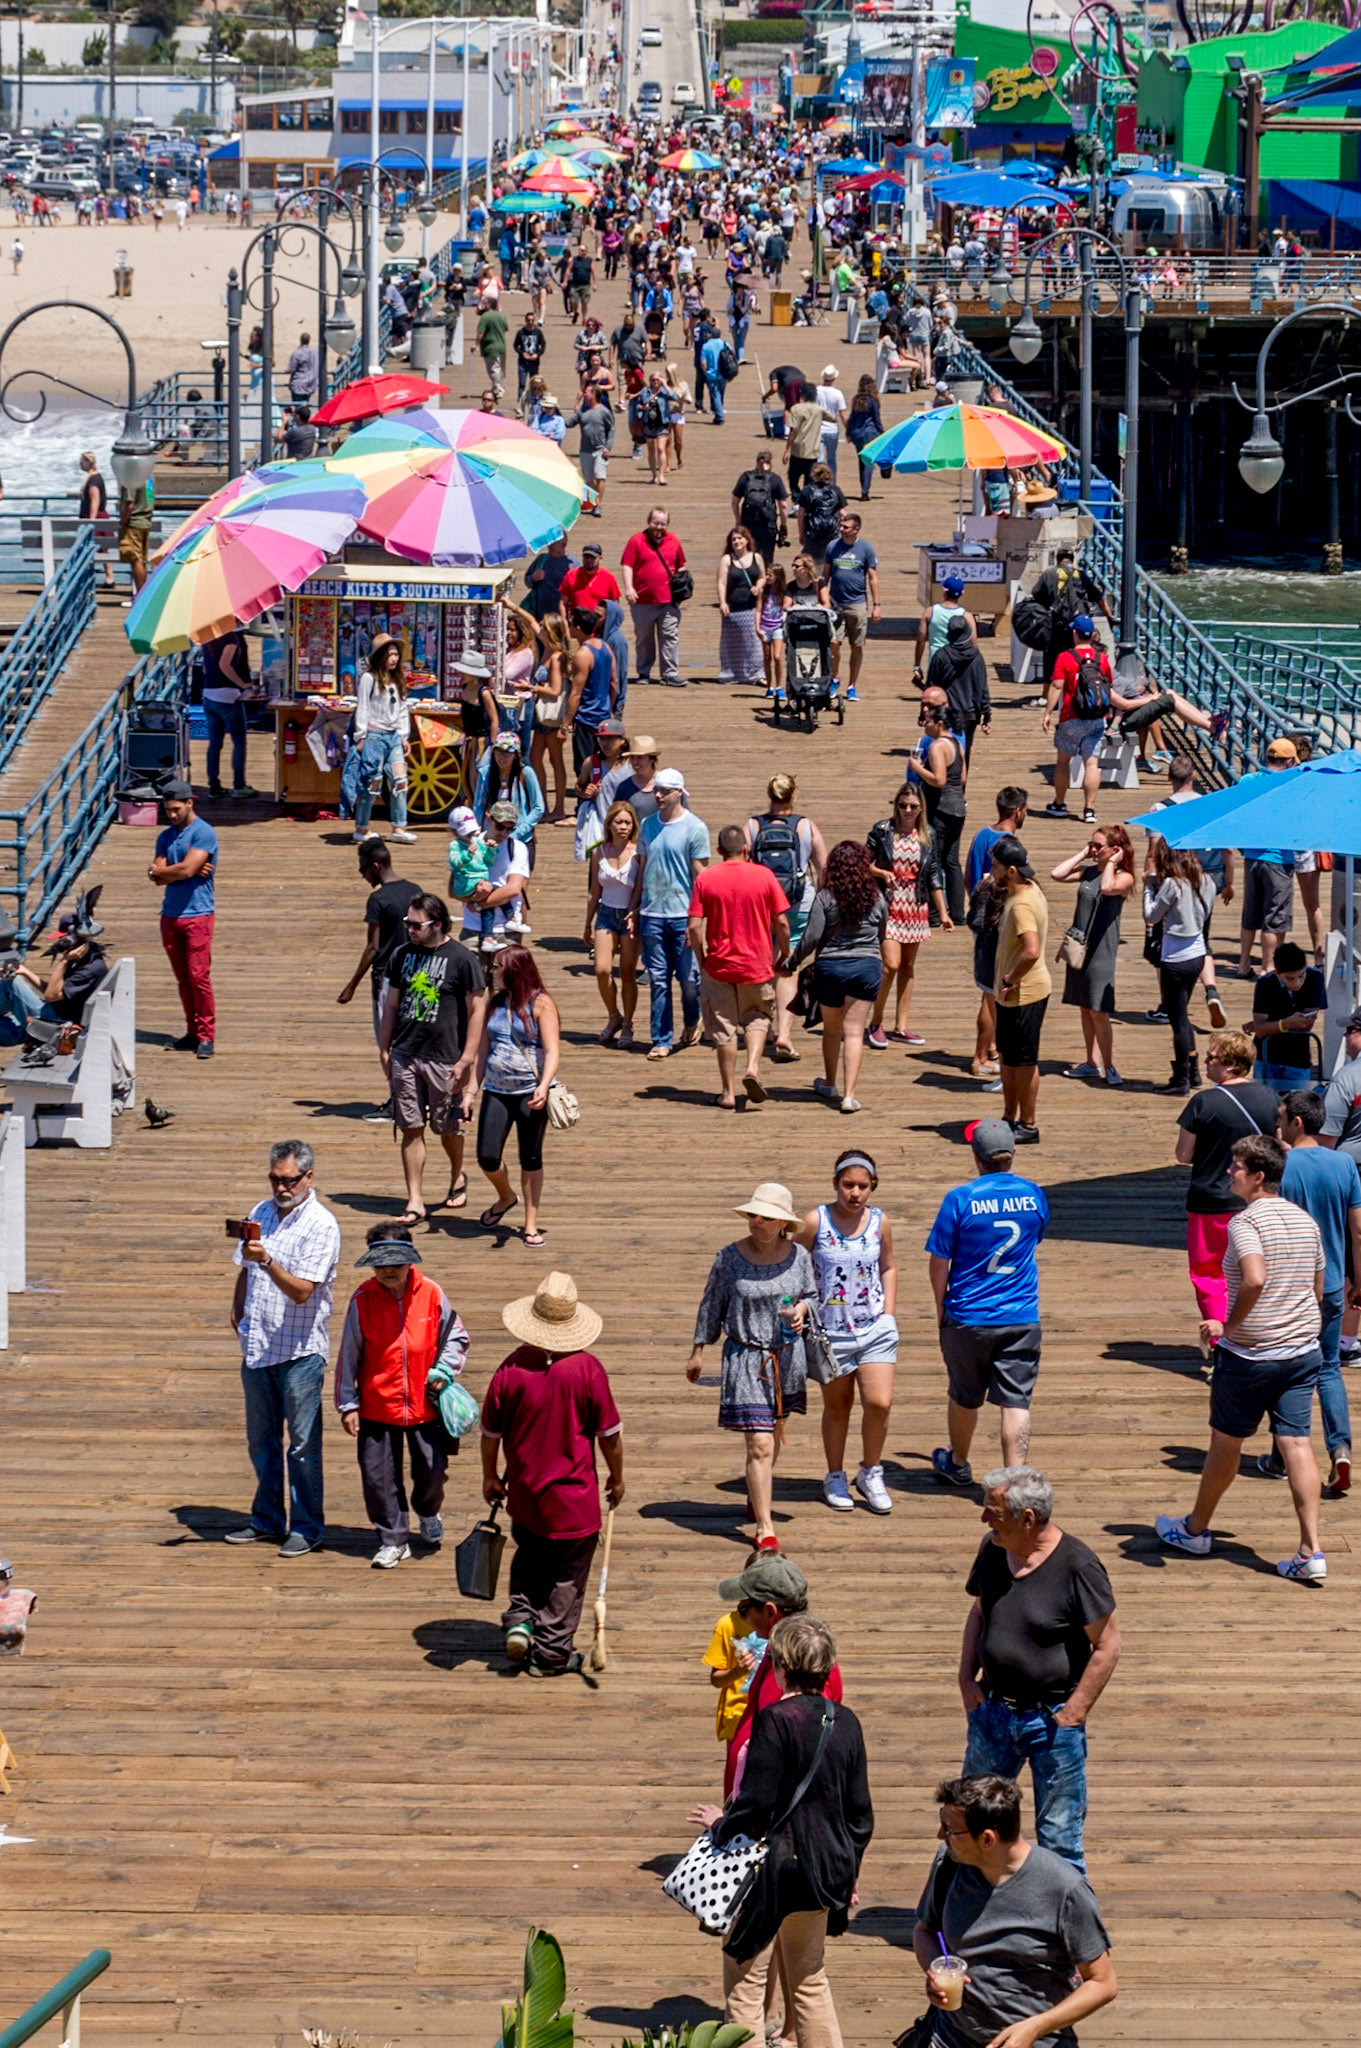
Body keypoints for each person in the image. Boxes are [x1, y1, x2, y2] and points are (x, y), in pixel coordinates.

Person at [688, 1617, 873, 2048]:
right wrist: (848, 1871)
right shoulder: (846, 1722)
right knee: (809, 1979)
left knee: (746, 1981)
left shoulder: (775, 1720)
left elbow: (755, 1806)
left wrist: (719, 1822)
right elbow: (860, 1815)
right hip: (824, 1868)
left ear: (781, 1666)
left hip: (770, 1874)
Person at [1157, 1133, 1328, 1584]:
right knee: (1296, 1445)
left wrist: (1227, 1327)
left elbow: (1253, 1278)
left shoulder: (1245, 1224)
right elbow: (1316, 1286)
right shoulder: (1304, 1221)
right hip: (1302, 1350)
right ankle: (1311, 1549)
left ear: (1257, 1177)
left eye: (1237, 1167)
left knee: (1226, 1444)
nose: (1229, 1172)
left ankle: (1195, 1529)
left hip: (1252, 1355)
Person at [957, 1466, 1119, 1870]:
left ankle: (1064, 1929)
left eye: (992, 1513)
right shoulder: (993, 1550)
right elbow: (979, 1611)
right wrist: (965, 1678)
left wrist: (1074, 1712)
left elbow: (1108, 1645)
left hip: (1051, 1722)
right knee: (971, 1825)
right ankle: (966, 1918)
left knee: (1059, 1837)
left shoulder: (1078, 1567)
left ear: (1027, 1519)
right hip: (992, 1713)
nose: (984, 1520)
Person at [481, 1272, 624, 1677]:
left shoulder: (509, 1369)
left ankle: (522, 1622)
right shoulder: (587, 1370)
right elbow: (608, 1436)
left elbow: (491, 1433)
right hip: (574, 1502)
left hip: (525, 1494)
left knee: (529, 1558)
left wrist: (490, 1476)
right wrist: (617, 1477)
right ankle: (551, 1653)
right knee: (567, 1577)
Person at [914, 1774, 1117, 2044]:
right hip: (950, 2037)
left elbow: (1103, 1983)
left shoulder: (1064, 1889)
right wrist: (936, 1972)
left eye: (950, 1830)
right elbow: (925, 1931)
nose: (941, 1835)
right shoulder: (949, 1864)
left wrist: (1034, 2028)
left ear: (987, 1840)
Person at [225, 1141, 342, 1558]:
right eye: (275, 1179)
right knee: (262, 1441)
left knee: (303, 1446)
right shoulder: (259, 1212)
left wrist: (267, 1260)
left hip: (299, 1352)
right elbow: (244, 1265)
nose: (280, 1187)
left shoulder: (322, 1226)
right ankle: (267, 1520)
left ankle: (307, 1528)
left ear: (308, 1178)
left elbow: (302, 1292)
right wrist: (238, 1307)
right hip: (257, 1347)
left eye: (289, 1180)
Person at [688, 1183, 817, 1554]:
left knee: (774, 1434)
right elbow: (711, 1304)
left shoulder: (800, 1257)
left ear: (783, 1223)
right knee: (760, 1443)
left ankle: (756, 1492)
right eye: (752, 1215)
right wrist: (698, 1351)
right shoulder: (729, 1258)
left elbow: (810, 1296)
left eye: (765, 1216)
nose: (756, 1221)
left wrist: (802, 1313)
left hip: (786, 1357)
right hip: (745, 1357)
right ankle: (765, 1526)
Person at [333, 1229, 470, 1568]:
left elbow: (456, 1336)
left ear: (410, 1262)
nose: (388, 1270)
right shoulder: (361, 1299)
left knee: (433, 1471)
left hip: (427, 1405)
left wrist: (444, 1369)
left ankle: (427, 1511)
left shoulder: (432, 1293)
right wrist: (348, 1404)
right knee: (377, 1478)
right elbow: (348, 1355)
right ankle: (393, 1538)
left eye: (395, 1263)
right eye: (380, 1265)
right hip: (377, 1405)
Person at [927, 1123, 1051, 1486]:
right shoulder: (1033, 1195)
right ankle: (1013, 1481)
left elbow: (939, 1261)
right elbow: (1035, 1237)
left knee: (965, 1395)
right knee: (1016, 1402)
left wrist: (941, 1308)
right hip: (1020, 1313)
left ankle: (958, 1462)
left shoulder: (960, 1199)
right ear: (1012, 1153)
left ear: (976, 1157)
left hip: (968, 1314)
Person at [793, 1150, 898, 1516]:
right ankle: (834, 1475)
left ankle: (871, 1471)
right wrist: (799, 1304)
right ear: (836, 1184)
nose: (855, 1193)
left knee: (879, 1402)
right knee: (838, 1407)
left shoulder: (880, 1222)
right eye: (848, 1185)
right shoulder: (815, 1221)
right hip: (830, 1331)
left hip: (873, 1327)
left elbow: (888, 1266)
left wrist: (889, 1314)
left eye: (862, 1186)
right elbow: (794, 1263)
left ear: (873, 1187)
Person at [378, 892, 487, 1226]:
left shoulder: (461, 959)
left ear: (437, 924)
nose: (410, 929)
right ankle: (415, 1198)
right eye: (407, 923)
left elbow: (477, 1008)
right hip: (405, 1052)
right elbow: (392, 1005)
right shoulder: (401, 955)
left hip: (445, 1056)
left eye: (416, 924)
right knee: (411, 1127)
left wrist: (467, 1058)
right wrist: (384, 1048)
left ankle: (457, 1174)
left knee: (446, 1126)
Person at [1272, 1090, 1356, 1496]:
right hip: (1335, 1284)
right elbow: (1358, 1229)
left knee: (1284, 1367)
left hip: (1290, 1285)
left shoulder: (1280, 1166)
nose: (1277, 1124)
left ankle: (1280, 1455)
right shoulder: (1344, 1164)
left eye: (1281, 1117)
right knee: (1328, 1368)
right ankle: (1340, 1449)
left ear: (1297, 1123)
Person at [1173, 1028, 1281, 1330]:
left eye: (1212, 1057)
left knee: (1210, 1275)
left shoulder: (1203, 1102)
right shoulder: (1270, 1097)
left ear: (1232, 1064)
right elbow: (1280, 1144)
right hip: (1257, 1200)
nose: (1206, 1062)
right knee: (1255, 1271)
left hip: (1211, 1201)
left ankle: (1221, 1342)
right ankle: (1255, 1336)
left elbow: (1183, 1154)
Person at [688, 826, 790, 1111]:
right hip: (756, 964)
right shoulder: (764, 876)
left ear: (719, 852)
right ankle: (753, 1068)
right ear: (746, 849)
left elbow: (694, 927)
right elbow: (781, 922)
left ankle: (728, 1092)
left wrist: (701, 958)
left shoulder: (706, 879)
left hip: (719, 965)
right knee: (757, 1017)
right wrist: (785, 952)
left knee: (724, 1029)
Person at [474, 945, 560, 1247]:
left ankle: (530, 1223)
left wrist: (544, 1084)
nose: (493, 972)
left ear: (514, 970)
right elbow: (483, 1051)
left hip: (529, 1091)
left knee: (531, 1157)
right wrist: (471, 1089)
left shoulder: (540, 1004)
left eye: (498, 966)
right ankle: (506, 1196)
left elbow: (552, 1051)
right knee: (487, 1156)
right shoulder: (494, 1003)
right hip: (496, 1090)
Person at [794, 840, 887, 1117]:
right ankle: (849, 1096)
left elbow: (811, 937)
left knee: (833, 1029)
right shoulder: (875, 895)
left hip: (831, 969)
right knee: (855, 1032)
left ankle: (830, 1083)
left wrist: (791, 962)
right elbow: (882, 931)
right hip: (867, 966)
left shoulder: (825, 897)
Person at [336, 836, 422, 1110]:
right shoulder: (415, 891)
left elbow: (373, 948)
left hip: (387, 980)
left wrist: (351, 985)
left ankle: (398, 1101)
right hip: (417, 976)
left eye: (362, 869)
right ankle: (416, 1097)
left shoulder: (378, 899)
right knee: (411, 1038)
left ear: (375, 866)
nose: (362, 875)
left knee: (388, 1043)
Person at [747, 774, 827, 1065]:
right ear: (793, 795)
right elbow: (823, 869)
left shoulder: (753, 826)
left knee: (764, 965)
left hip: (761, 905)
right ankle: (784, 1034)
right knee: (788, 967)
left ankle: (763, 1026)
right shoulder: (806, 827)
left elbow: (742, 867)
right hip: (797, 905)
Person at [632, 769, 710, 1060]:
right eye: (657, 790)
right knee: (659, 979)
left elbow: (700, 875)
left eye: (664, 791)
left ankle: (692, 1020)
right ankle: (661, 1038)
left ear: (679, 793)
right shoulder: (648, 825)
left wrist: (701, 917)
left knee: (689, 979)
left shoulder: (695, 828)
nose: (658, 795)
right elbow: (642, 868)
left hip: (683, 914)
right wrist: (634, 906)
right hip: (653, 913)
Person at [865, 783, 949, 1051]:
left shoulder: (929, 835)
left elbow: (934, 873)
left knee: (908, 967)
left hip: (915, 904)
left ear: (921, 808)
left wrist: (944, 912)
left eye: (913, 806)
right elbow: (863, 862)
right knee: (890, 964)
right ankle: (875, 1022)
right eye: (903, 806)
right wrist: (881, 873)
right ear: (896, 806)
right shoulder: (882, 830)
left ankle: (901, 1026)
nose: (908, 811)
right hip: (888, 904)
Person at [1051, 826, 1135, 1087]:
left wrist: (1111, 863)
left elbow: (1109, 887)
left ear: (1116, 849)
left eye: (1099, 846)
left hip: (1101, 950)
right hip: (1080, 946)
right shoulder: (1088, 872)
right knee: (1085, 1007)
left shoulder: (1125, 877)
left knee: (1099, 1009)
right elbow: (1057, 874)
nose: (1094, 849)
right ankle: (1091, 1061)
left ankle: (1109, 1065)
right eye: (1092, 845)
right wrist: (1083, 853)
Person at [149, 779, 218, 1059]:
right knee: (182, 979)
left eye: (176, 809)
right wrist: (173, 871)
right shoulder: (165, 836)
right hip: (170, 915)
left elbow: (184, 871)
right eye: (168, 811)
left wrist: (170, 871)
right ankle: (192, 1032)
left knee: (198, 977)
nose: (172, 815)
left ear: (190, 802)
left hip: (198, 914)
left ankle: (206, 1035)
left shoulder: (204, 833)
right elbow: (157, 876)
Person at [1143, 841, 1216, 1095]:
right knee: (1183, 1015)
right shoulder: (1206, 881)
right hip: (1197, 954)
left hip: (1174, 958)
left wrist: (1148, 890)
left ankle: (1181, 1079)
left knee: (1178, 1021)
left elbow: (1151, 916)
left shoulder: (1172, 884)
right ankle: (1194, 1071)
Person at [965, 788, 1028, 1083]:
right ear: (1017, 811)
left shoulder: (980, 835)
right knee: (991, 997)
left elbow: (968, 877)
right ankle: (980, 1056)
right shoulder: (1008, 845)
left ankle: (990, 1047)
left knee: (988, 993)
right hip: (998, 928)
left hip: (981, 923)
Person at [991, 837, 1050, 1145]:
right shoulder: (1026, 890)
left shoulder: (1023, 904)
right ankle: (1009, 1116)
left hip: (1025, 992)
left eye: (997, 866)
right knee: (1009, 1058)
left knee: (1024, 1062)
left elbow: (1031, 950)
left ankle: (1028, 1123)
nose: (992, 871)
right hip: (1011, 994)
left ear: (1012, 870)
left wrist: (1011, 977)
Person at [1236, 738, 1300, 976]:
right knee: (1274, 917)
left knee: (1250, 913)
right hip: (1279, 858)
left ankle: (1243, 964)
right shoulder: (1291, 785)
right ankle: (1268, 967)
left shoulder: (1247, 781)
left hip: (1252, 855)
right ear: (1290, 761)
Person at [1041, 616, 1111, 825]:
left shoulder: (1065, 657)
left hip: (1071, 717)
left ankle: (1060, 804)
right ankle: (1089, 809)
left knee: (1063, 761)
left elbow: (1056, 686)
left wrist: (1047, 712)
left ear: (1075, 633)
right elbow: (1108, 685)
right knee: (1091, 763)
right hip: (1096, 717)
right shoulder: (1102, 657)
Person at [585, 799, 640, 1048]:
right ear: (609, 824)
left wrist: (635, 911)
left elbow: (641, 887)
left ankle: (628, 1022)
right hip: (606, 914)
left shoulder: (638, 853)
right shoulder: (600, 852)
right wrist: (588, 922)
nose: (623, 827)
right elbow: (594, 891)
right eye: (618, 822)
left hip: (628, 917)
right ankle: (613, 1014)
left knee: (628, 972)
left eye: (628, 822)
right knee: (602, 969)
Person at [352, 634, 416, 848]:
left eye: (396, 654)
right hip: (374, 735)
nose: (394, 659)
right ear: (380, 656)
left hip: (393, 736)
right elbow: (363, 707)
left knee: (400, 781)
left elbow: (402, 708)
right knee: (372, 783)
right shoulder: (369, 678)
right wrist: (361, 735)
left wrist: (403, 735)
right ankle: (361, 828)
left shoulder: (398, 679)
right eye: (389, 655)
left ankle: (399, 827)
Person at [913, 690, 968, 923]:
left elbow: (939, 780)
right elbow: (962, 778)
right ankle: (958, 913)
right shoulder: (957, 743)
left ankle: (934, 914)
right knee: (952, 861)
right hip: (958, 807)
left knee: (932, 858)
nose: (925, 726)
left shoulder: (937, 747)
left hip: (940, 808)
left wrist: (916, 768)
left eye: (929, 722)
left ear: (940, 724)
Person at [621, 505, 687, 689]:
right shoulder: (636, 540)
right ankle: (644, 671)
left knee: (670, 636)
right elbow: (627, 565)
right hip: (642, 600)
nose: (658, 527)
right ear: (649, 522)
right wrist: (629, 587)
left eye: (663, 524)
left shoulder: (674, 541)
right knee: (644, 638)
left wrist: (682, 587)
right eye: (655, 523)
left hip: (668, 600)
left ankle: (670, 674)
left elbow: (681, 565)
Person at [817, 510, 879, 703]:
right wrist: (822, 597)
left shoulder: (866, 549)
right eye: (841, 526)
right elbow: (825, 574)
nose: (841, 529)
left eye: (845, 527)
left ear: (856, 529)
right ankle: (835, 678)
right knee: (833, 643)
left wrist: (877, 605)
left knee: (857, 645)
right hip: (836, 604)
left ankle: (852, 685)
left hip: (857, 604)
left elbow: (873, 578)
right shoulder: (832, 546)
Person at [1029, 543, 1110, 689]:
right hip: (1078, 627)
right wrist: (1110, 618)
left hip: (1056, 625)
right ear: (1072, 559)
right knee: (1078, 656)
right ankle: (1079, 688)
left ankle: (1046, 696)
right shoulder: (1081, 575)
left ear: (1057, 559)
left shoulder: (1049, 573)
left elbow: (1035, 596)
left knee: (1051, 658)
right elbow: (1100, 599)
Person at [1250, 941, 1326, 1092]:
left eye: (1301, 976)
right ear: (1277, 973)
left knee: (1298, 1108)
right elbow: (1259, 1030)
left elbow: (1306, 1024)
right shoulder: (1265, 983)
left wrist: (1271, 1025)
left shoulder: (1315, 977)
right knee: (1265, 1108)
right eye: (1290, 979)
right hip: (1266, 1057)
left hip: (1298, 1059)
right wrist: (1285, 1023)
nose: (1297, 983)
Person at [200, 626, 257, 801]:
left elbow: (204, 667)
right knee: (239, 741)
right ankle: (238, 786)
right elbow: (224, 665)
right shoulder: (231, 639)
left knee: (215, 743)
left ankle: (214, 785)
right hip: (227, 696)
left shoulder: (207, 637)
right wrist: (243, 684)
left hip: (208, 694)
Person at [926, 614, 991, 762]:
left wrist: (924, 712)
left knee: (943, 752)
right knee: (964, 753)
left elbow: (931, 686)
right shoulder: (977, 658)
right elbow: (982, 689)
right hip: (970, 714)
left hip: (945, 713)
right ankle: (961, 784)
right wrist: (986, 715)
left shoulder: (941, 656)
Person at [717, 525, 767, 688]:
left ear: (747, 540)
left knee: (754, 642)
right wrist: (723, 602)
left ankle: (757, 674)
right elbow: (722, 582)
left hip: (752, 607)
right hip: (733, 608)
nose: (737, 541)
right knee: (732, 643)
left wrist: (758, 587)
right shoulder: (727, 559)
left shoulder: (756, 557)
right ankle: (732, 673)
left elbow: (762, 576)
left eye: (740, 538)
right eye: (733, 539)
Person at [731, 449, 788, 570]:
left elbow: (735, 501)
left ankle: (750, 582)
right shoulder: (775, 479)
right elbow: (783, 505)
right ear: (770, 463)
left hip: (748, 524)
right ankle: (766, 585)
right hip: (768, 525)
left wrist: (738, 520)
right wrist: (783, 526)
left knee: (748, 556)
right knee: (767, 558)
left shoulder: (746, 477)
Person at [78, 449, 115, 590]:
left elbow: (95, 501)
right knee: (102, 549)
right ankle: (109, 577)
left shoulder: (93, 480)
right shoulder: (96, 477)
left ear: (88, 463)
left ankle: (90, 578)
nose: (80, 465)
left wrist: (91, 522)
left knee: (92, 548)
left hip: (95, 517)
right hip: (99, 516)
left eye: (82, 462)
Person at [784, 382, 828, 494]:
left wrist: (787, 450)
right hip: (812, 452)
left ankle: (796, 497)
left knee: (793, 479)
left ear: (801, 395)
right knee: (809, 482)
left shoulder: (795, 409)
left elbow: (792, 431)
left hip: (797, 451)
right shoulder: (819, 409)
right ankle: (805, 500)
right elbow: (832, 418)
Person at [845, 375, 882, 500]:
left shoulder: (856, 399)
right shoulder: (872, 400)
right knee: (869, 463)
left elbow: (852, 418)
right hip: (870, 434)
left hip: (857, 434)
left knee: (861, 462)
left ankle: (863, 488)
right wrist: (882, 433)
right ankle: (865, 491)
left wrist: (848, 433)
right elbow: (876, 419)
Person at [118, 478, 153, 595]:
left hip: (133, 524)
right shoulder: (148, 475)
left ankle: (141, 595)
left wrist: (122, 522)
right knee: (141, 561)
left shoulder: (131, 477)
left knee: (135, 560)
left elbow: (129, 503)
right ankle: (143, 594)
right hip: (146, 520)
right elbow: (149, 497)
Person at [477, 298, 509, 401]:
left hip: (490, 346)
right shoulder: (502, 316)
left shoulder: (485, 317)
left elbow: (480, 332)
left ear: (488, 305)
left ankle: (498, 390)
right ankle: (501, 388)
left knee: (494, 370)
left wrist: (476, 344)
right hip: (501, 346)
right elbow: (506, 328)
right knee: (501, 370)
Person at [513, 308, 547, 404]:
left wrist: (538, 354)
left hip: (534, 362)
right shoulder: (521, 332)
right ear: (525, 320)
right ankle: (520, 403)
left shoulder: (538, 332)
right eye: (528, 320)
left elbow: (543, 344)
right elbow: (515, 345)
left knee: (535, 383)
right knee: (522, 384)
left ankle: (534, 401)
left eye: (532, 320)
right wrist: (522, 353)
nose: (530, 322)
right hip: (523, 362)